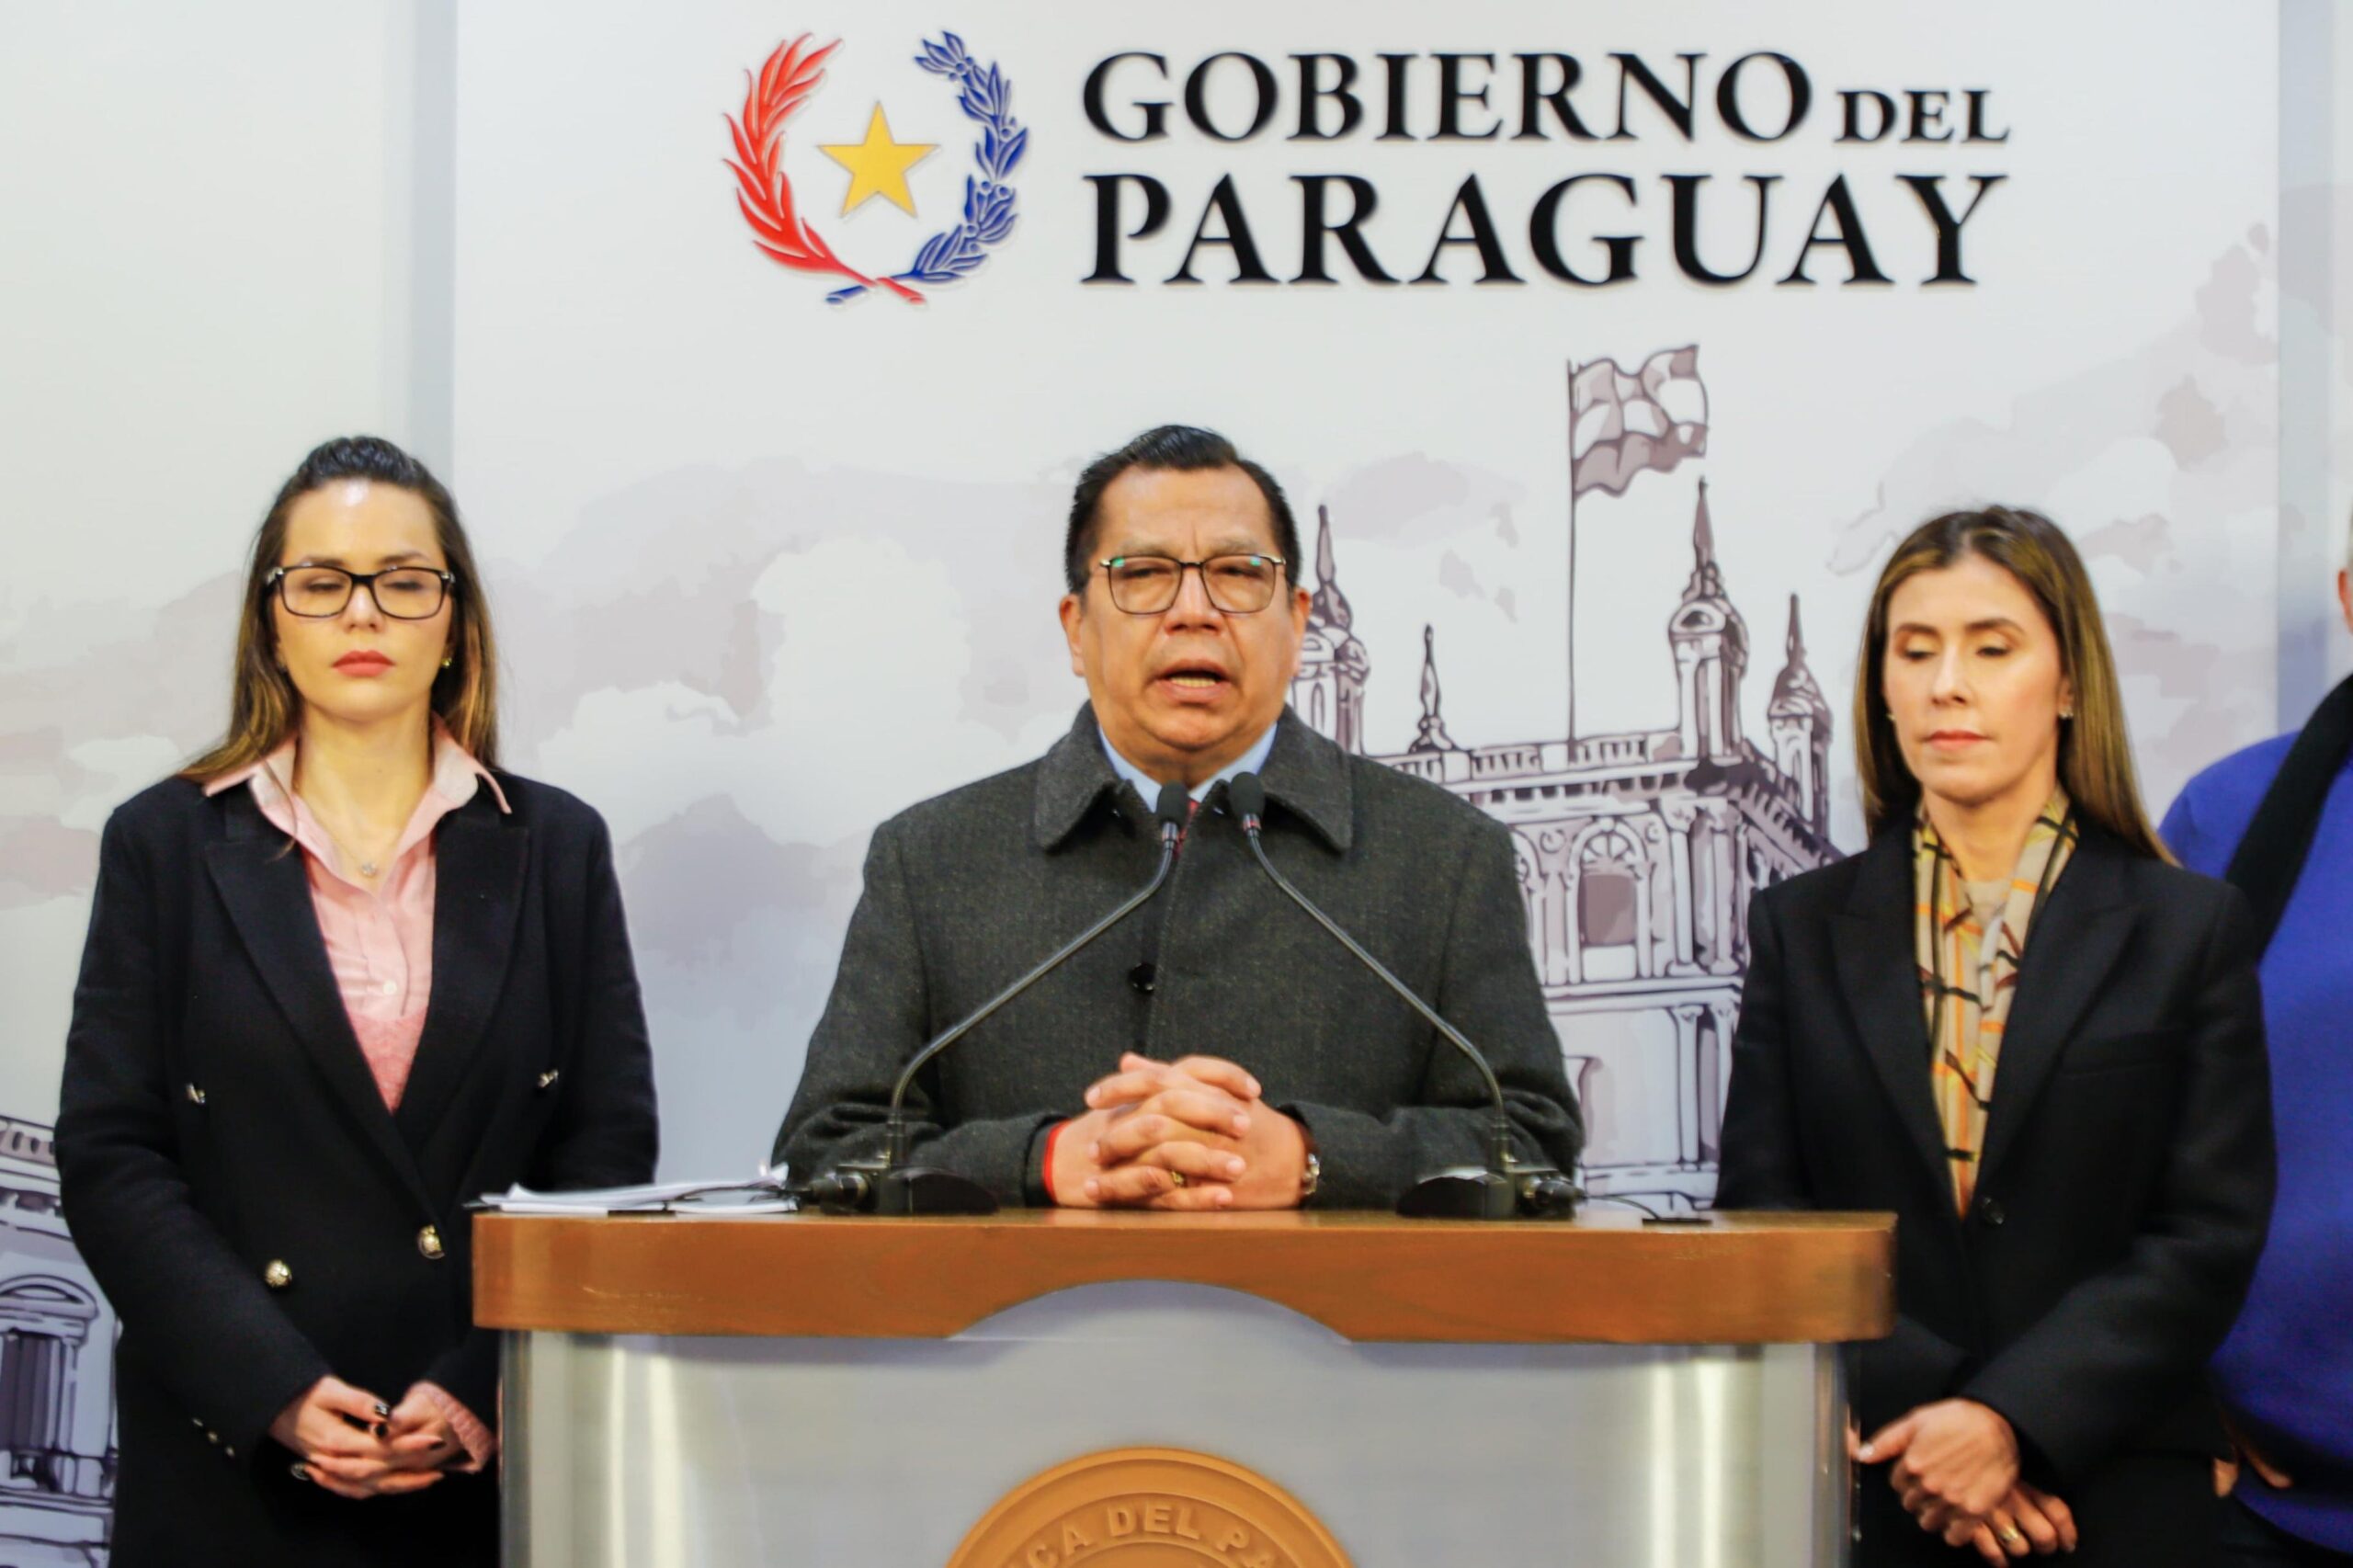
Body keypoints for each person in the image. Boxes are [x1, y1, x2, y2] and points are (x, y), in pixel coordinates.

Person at [55, 436, 659, 1566]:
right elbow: (112, 1151)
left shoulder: (556, 845)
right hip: (228, 1458)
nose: (363, 613)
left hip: (473, 1463)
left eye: (404, 579)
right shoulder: (165, 840)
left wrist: (474, 1385)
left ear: (455, 622)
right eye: (322, 583)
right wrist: (271, 1383)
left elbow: (601, 1148)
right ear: (271, 621)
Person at [776, 425, 1580, 1209]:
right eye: (1144, 573)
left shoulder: (1443, 856)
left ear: (1298, 623)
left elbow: (1533, 1146)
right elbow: (829, 1149)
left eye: (1236, 572)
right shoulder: (934, 860)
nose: (1194, 611)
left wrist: (1315, 1158)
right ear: (1076, 629)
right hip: (1022, 1340)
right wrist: (1046, 1160)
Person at [1715, 506, 2273, 1566]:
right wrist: (1939, 1419)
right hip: (1882, 1479)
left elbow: (2206, 1234)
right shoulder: (1800, 926)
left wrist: (2014, 1419)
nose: (1945, 685)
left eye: (1991, 647)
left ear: (2068, 684)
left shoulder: (2184, 927)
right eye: (1913, 649)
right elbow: (1766, 1213)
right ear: (1881, 685)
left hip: (2111, 1487)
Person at [2162, 542, 2353, 1566]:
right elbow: (2115, 1118)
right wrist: (2174, 1375)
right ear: (2347, 595)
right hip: (2268, 1508)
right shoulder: (2225, 815)